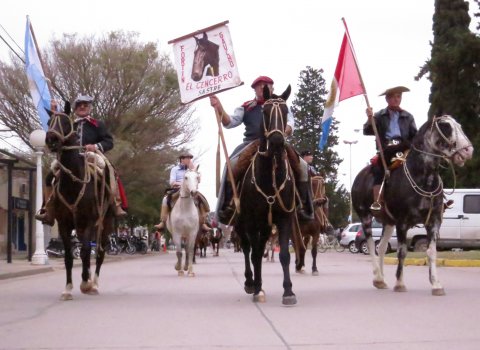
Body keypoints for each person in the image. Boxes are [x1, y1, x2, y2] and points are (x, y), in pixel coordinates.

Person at [209, 75, 314, 224]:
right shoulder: (246, 107)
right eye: (259, 85)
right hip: (251, 143)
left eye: (267, 85)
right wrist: (219, 107)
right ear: (255, 89)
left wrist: (281, 132)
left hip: (278, 141)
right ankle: (227, 205)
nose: (263, 87)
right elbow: (230, 122)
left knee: (303, 166)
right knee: (231, 165)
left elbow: (291, 123)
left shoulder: (282, 105)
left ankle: (303, 206)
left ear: (272, 88)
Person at [35, 95, 127, 225]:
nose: (82, 107)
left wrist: (95, 146)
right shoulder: (70, 124)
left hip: (92, 156)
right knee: (50, 175)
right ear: (75, 109)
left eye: (85, 105)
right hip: (72, 158)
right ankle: (47, 210)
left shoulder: (97, 124)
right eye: (79, 105)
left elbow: (109, 142)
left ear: (89, 107)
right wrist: (55, 112)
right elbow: (58, 131)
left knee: (110, 171)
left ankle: (115, 204)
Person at [364, 86, 417, 210]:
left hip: (404, 147)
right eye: (393, 97)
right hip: (386, 149)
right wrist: (369, 118)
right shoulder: (379, 116)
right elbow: (367, 131)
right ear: (387, 99)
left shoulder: (408, 116)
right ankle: (378, 201)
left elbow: (415, 135)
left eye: (398, 96)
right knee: (378, 169)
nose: (396, 99)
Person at [154, 152, 211, 231]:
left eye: (190, 158)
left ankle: (203, 222)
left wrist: (196, 173)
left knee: (201, 199)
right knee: (165, 199)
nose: (189, 160)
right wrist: (182, 184)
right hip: (178, 189)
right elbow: (172, 182)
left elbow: (198, 181)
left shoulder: (192, 170)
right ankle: (163, 222)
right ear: (182, 159)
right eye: (187, 158)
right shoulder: (175, 169)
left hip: (191, 189)